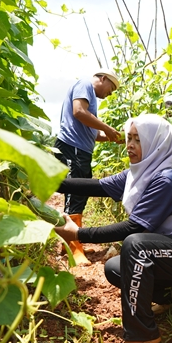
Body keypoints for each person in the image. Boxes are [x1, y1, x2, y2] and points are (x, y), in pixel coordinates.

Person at [54, 114, 172, 343]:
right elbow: (97, 186)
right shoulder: (139, 174)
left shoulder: (166, 179)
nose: (129, 145)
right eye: (129, 138)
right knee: (115, 268)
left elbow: (132, 227)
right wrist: (53, 183)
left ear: (156, 143)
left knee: (136, 244)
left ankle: (142, 336)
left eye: (137, 140)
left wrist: (78, 234)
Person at [54, 69, 122, 265]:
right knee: (75, 195)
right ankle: (74, 248)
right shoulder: (85, 84)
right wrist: (107, 128)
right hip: (72, 148)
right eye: (112, 87)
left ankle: (71, 242)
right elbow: (78, 112)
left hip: (80, 150)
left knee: (79, 195)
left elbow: (90, 132)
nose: (111, 92)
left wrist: (110, 137)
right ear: (103, 78)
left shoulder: (90, 96)